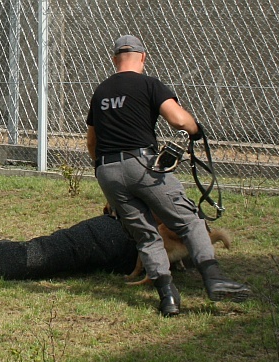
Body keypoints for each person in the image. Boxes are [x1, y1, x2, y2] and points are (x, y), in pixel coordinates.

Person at [85, 35, 250, 316]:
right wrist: (196, 128)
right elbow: (178, 120)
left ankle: (168, 298)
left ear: (114, 60)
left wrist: (104, 167)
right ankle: (214, 279)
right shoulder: (149, 84)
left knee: (146, 236)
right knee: (189, 221)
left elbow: (91, 141)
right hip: (143, 164)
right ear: (143, 57)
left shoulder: (101, 91)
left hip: (107, 170)